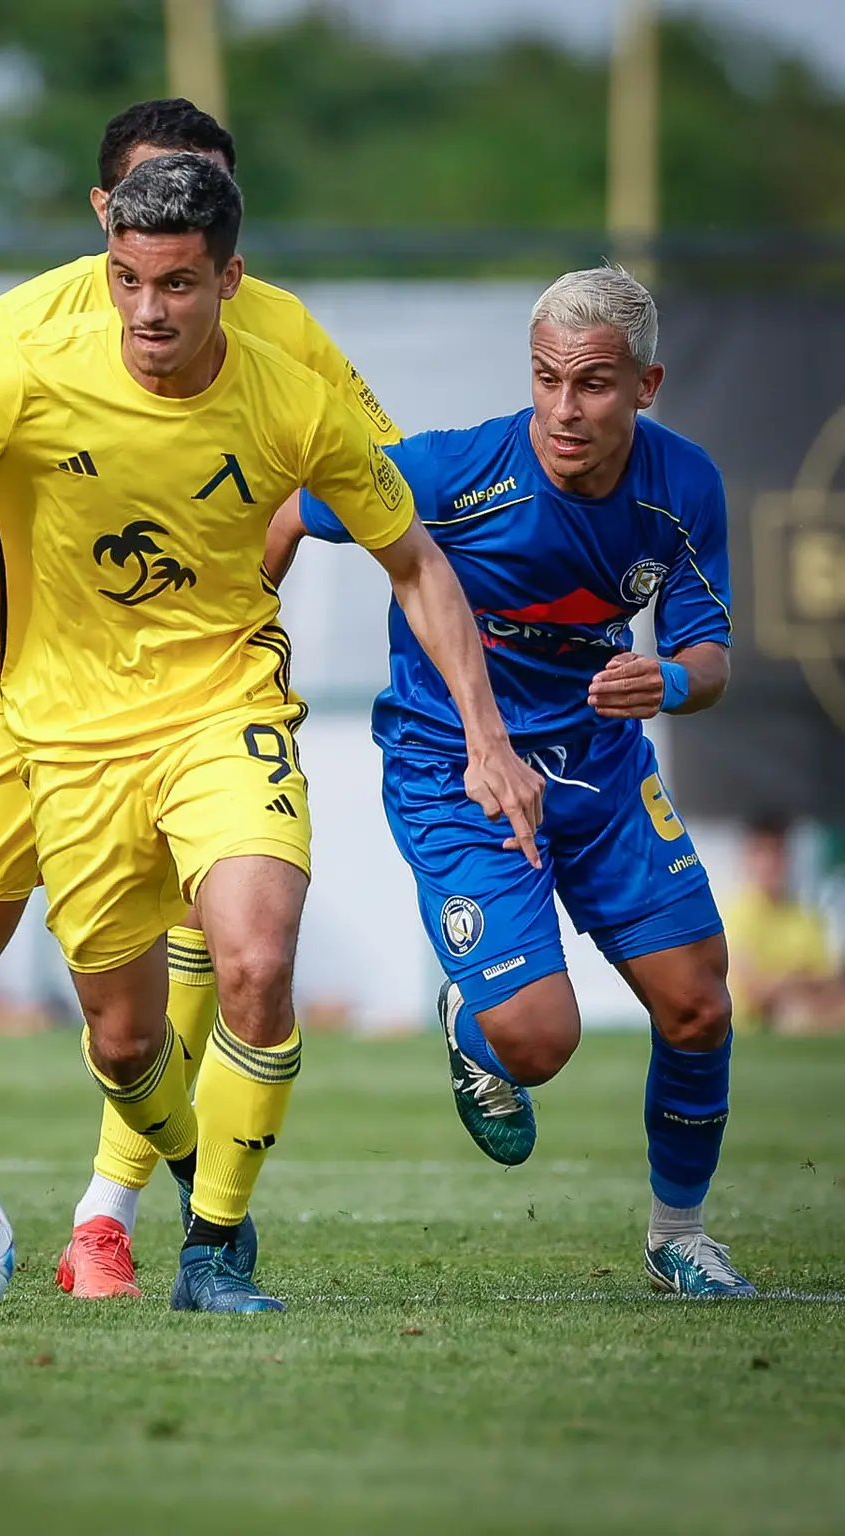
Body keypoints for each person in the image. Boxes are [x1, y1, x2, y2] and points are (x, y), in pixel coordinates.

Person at [0, 153, 542, 1313]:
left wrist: (488, 734)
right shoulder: (26, 354)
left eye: (177, 282)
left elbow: (412, 549)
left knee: (253, 958)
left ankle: (196, 1245)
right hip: (41, 716)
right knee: (22, 996)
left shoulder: (295, 382)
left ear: (230, 276)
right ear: (104, 230)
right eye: (128, 277)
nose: (146, 310)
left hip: (219, 708)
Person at [274, 265, 757, 1297]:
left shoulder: (685, 488)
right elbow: (291, 511)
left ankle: (680, 1236)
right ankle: (476, 1023)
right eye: (546, 378)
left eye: (592, 384)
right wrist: (244, 645)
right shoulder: (452, 471)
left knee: (700, 1006)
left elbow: (710, 659)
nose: (563, 408)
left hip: (602, 772)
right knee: (538, 1044)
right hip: (455, 770)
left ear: (646, 385)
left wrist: (670, 679)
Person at [725, 816, 845, 1034]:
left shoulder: (806, 917)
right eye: (762, 853)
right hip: (757, 1027)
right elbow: (753, 991)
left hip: (809, 1012)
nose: (770, 863)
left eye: (777, 853)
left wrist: (783, 982)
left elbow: (829, 982)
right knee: (795, 1014)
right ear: (748, 858)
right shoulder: (734, 917)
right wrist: (797, 979)